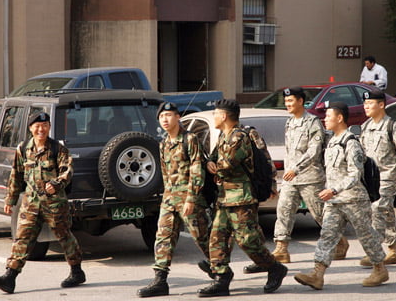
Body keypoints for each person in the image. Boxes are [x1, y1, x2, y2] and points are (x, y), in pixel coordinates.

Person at [244, 87, 347, 275]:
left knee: (320, 214)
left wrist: (296, 168)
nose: (288, 105)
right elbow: (289, 151)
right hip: (291, 178)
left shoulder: (313, 122)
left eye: (291, 101)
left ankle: (340, 241)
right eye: (286, 102)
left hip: (310, 177)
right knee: (283, 209)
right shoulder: (290, 122)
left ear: (300, 101)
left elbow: (314, 150)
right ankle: (281, 248)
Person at [0, 112, 85, 294]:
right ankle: (10, 276)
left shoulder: (57, 149)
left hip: (54, 203)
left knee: (64, 236)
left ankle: (76, 271)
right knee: (23, 237)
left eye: (45, 125)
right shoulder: (23, 148)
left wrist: (57, 183)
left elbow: (67, 171)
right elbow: (15, 175)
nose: (41, 129)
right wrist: (11, 199)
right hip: (31, 202)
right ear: (31, 128)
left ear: (49, 126)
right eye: (37, 126)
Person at [197, 99, 287, 297]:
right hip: (224, 197)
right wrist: (211, 164)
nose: (214, 117)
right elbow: (215, 159)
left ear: (224, 116)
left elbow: (228, 164)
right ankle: (222, 278)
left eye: (216, 114)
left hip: (241, 197)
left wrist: (213, 166)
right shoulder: (223, 135)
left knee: (247, 240)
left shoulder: (239, 137)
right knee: (217, 238)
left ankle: (274, 268)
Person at [294, 102, 388, 290]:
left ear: (339, 118)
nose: (325, 119)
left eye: (328, 116)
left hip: (354, 200)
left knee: (366, 236)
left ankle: (380, 269)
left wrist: (334, 189)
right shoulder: (331, 142)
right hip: (335, 201)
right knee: (327, 236)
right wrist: (330, 191)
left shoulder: (351, 143)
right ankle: (317, 275)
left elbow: (355, 174)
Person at [137, 102, 211, 298]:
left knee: (201, 237)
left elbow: (197, 169)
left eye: (169, 115)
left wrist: (191, 199)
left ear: (178, 117)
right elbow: (164, 173)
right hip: (170, 199)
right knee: (163, 238)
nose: (165, 119)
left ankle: (220, 269)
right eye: (162, 117)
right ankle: (160, 280)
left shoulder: (190, 139)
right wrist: (166, 197)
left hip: (189, 198)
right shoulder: (163, 144)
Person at [359, 89, 396, 267]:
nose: (366, 106)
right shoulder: (365, 126)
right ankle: (394, 251)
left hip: (388, 177)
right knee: (387, 212)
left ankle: (376, 253)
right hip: (372, 179)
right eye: (365, 103)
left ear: (381, 105)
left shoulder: (393, 126)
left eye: (370, 103)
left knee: (378, 210)